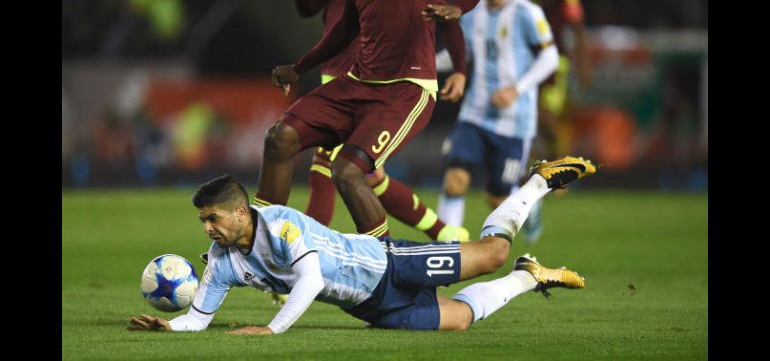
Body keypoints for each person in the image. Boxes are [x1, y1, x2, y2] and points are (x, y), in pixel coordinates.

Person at [128, 156, 596, 334]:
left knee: (491, 253)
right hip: (371, 306)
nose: (207, 229)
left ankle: (538, 181)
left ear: (239, 212)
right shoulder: (223, 262)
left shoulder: (281, 224)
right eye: (203, 221)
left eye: (212, 218)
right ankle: (527, 276)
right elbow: (198, 318)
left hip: (389, 264)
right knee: (459, 320)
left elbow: (311, 279)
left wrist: (272, 330)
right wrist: (169, 327)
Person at [258, 0, 482, 241]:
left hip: (406, 88)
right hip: (357, 82)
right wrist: (299, 68)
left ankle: (385, 262)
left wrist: (457, 8)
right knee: (279, 138)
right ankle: (260, 247)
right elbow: (343, 30)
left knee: (346, 172)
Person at [434, 0, 559, 236]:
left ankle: (529, 206)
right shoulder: (470, 12)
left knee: (497, 198)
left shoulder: (527, 12)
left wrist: (516, 90)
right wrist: (424, 64)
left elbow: (550, 57)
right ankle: (447, 248)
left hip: (514, 121)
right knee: (455, 180)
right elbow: (461, 54)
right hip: (475, 113)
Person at [512, 0, 591, 243]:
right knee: (531, 125)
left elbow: (577, 24)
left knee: (544, 117)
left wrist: (583, 61)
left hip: (555, 64)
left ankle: (560, 173)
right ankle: (545, 178)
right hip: (523, 65)